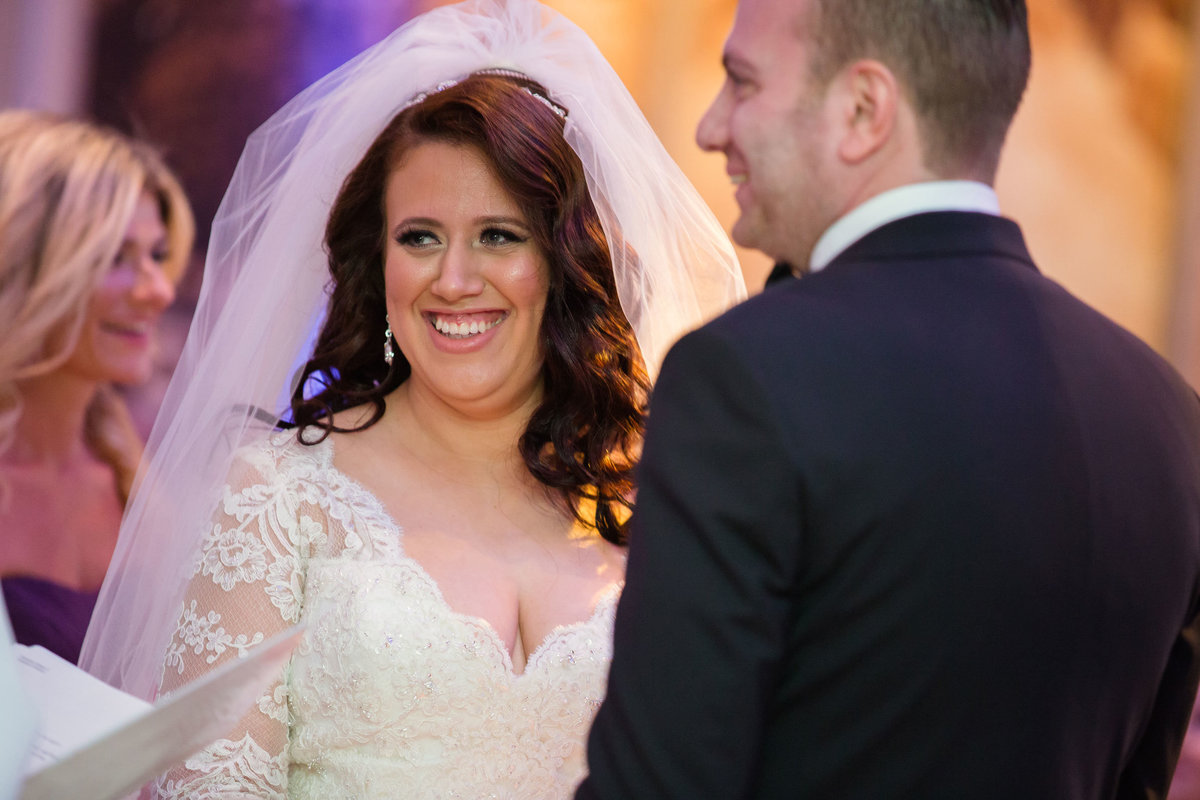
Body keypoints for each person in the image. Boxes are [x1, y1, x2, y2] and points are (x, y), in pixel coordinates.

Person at [79, 1, 745, 797]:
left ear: (565, 265)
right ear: (378, 260)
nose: (453, 280)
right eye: (419, 237)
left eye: (499, 235)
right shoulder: (279, 496)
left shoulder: (648, 504)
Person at [576, 0, 1200, 798]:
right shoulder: (1169, 418)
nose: (711, 126)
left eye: (742, 82)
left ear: (864, 111)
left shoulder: (743, 380)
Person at [0, 111, 193, 665]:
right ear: (25, 270)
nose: (157, 290)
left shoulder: (136, 486)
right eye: (115, 258)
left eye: (156, 255)